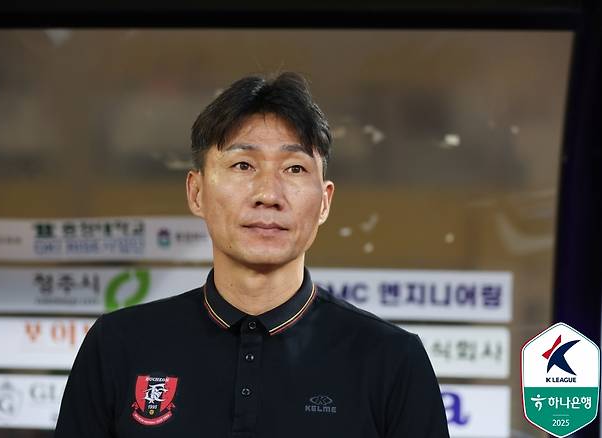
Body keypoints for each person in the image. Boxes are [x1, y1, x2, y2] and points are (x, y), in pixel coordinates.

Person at [55, 72, 450, 437]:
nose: (268, 195)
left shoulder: (393, 360)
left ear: (325, 202)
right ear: (196, 192)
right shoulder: (117, 345)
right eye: (243, 165)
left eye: (294, 169)